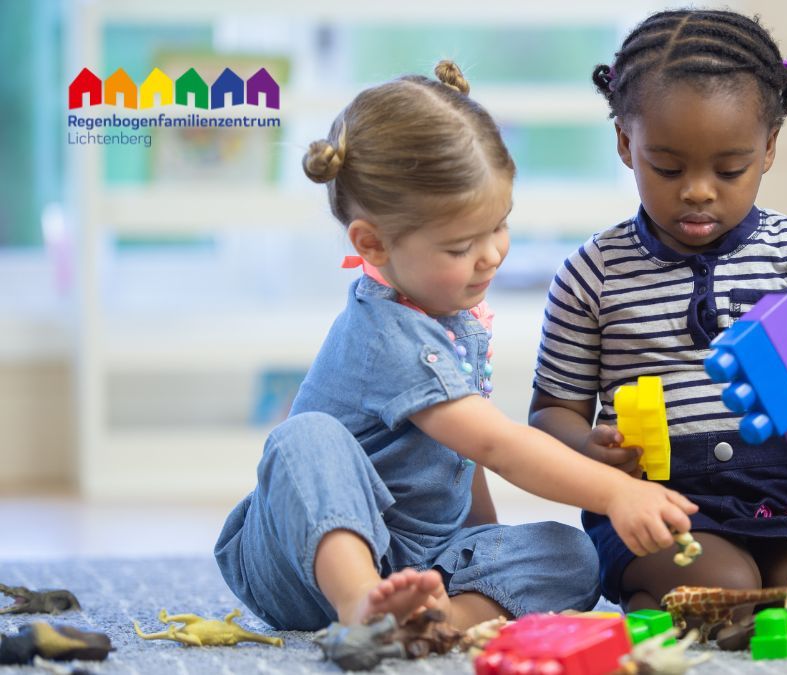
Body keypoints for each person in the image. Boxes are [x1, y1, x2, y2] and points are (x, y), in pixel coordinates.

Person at [215, 61, 697, 633]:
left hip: (418, 559)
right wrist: (616, 491)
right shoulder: (386, 333)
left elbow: (463, 457)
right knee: (305, 437)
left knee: (575, 555)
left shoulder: (452, 317)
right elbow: (498, 444)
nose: (493, 254)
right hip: (301, 560)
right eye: (463, 245)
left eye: (500, 225)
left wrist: (483, 550)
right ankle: (362, 607)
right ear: (373, 242)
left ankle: (440, 618)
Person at [529, 10, 787, 639]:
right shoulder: (593, 272)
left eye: (729, 170)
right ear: (624, 143)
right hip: (658, 507)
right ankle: (669, 590)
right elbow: (550, 414)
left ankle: (751, 587)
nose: (698, 191)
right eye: (667, 168)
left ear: (769, 148)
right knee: (725, 596)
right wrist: (592, 451)